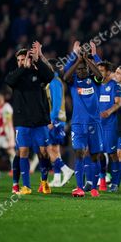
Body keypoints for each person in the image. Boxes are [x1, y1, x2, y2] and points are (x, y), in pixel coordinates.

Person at [5, 42, 54, 195]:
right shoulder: (16, 76)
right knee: (23, 151)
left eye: (23, 59)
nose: (21, 62)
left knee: (44, 152)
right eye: (18, 60)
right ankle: (26, 186)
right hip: (23, 120)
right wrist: (22, 68)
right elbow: (9, 81)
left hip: (39, 120)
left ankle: (44, 181)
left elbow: (50, 76)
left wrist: (38, 58)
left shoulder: (39, 74)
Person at [63, 41, 103, 197]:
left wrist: (89, 59)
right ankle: (79, 188)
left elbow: (100, 74)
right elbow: (66, 75)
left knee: (94, 155)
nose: (80, 71)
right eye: (78, 69)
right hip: (79, 123)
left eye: (83, 69)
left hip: (94, 123)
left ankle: (93, 188)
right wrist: (76, 57)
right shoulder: (73, 82)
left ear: (88, 69)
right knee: (79, 152)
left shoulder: (95, 81)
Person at [91, 42, 121, 191]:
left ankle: (115, 183)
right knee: (98, 154)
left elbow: (118, 104)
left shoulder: (114, 86)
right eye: (98, 70)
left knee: (112, 154)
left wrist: (108, 112)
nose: (99, 72)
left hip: (110, 125)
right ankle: (102, 180)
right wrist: (94, 53)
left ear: (109, 72)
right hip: (98, 125)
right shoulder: (96, 85)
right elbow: (98, 65)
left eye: (102, 71)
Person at [44, 58, 74, 188]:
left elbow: (56, 104)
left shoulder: (54, 82)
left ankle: (66, 170)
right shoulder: (55, 81)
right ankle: (57, 178)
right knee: (55, 149)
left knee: (49, 148)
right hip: (58, 120)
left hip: (55, 120)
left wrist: (51, 119)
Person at [0, 90, 15, 177]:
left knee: (10, 151)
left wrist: (4, 131)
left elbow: (8, 121)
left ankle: (15, 168)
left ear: (2, 97)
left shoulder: (7, 107)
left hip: (7, 132)